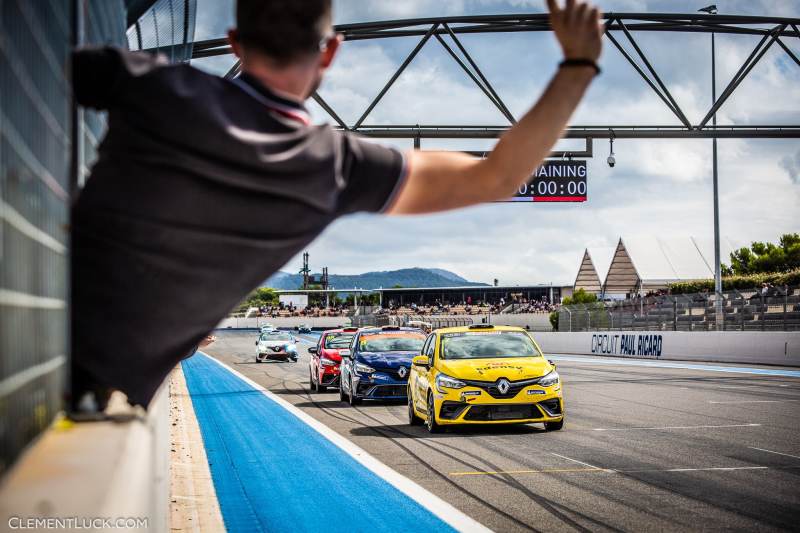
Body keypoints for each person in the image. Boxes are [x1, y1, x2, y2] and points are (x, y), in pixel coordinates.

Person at [69, 0, 602, 414]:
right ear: (329, 52)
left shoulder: (153, 82)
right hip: (88, 379)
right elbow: (497, 176)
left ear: (234, 42)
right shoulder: (334, 165)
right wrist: (577, 66)